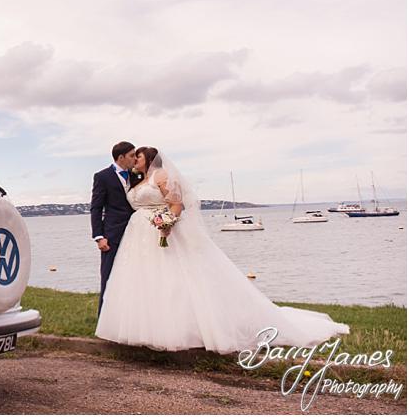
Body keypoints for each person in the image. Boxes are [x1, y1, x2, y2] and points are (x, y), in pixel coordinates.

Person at [95, 147, 349, 353]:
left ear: (148, 159)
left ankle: (182, 327)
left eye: (137, 156)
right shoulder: (138, 180)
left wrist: (168, 223)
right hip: (137, 235)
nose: (134, 160)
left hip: (159, 230)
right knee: (144, 279)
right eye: (132, 156)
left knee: (171, 278)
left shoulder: (161, 176)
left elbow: (177, 204)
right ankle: (141, 326)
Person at [90, 141, 137, 316]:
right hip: (112, 234)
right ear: (121, 157)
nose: (134, 158)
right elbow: (96, 208)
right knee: (108, 275)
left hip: (135, 232)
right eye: (132, 155)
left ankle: (128, 316)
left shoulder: (137, 176)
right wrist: (99, 236)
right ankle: (104, 317)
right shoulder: (102, 177)